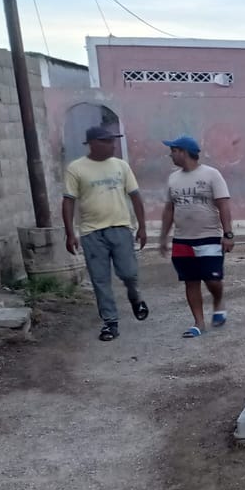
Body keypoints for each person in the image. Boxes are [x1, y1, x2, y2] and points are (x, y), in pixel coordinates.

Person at [61, 125, 149, 341]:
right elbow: (68, 201)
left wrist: (142, 226)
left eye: (113, 141)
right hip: (91, 232)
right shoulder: (76, 168)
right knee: (100, 280)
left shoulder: (121, 166)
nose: (113, 145)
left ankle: (135, 297)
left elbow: (135, 196)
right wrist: (70, 233)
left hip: (120, 227)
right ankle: (110, 323)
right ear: (92, 144)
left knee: (128, 273)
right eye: (107, 141)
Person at [157, 135, 234, 338]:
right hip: (182, 239)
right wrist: (163, 237)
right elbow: (169, 209)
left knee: (212, 280)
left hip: (209, 236)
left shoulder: (211, 175)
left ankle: (218, 300)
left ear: (184, 152)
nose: (170, 155)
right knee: (191, 281)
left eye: (173, 151)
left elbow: (223, 205)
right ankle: (199, 323)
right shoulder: (173, 178)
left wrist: (228, 234)